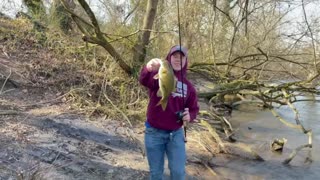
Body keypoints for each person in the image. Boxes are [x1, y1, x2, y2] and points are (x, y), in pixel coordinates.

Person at [139, 45, 199, 180]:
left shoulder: (189, 87)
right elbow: (143, 80)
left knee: (178, 173)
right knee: (156, 173)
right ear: (169, 58)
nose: (178, 60)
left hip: (176, 135)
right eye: (175, 56)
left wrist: (190, 116)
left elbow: (194, 109)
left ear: (186, 61)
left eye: (181, 57)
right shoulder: (160, 74)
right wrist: (148, 69)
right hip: (153, 133)